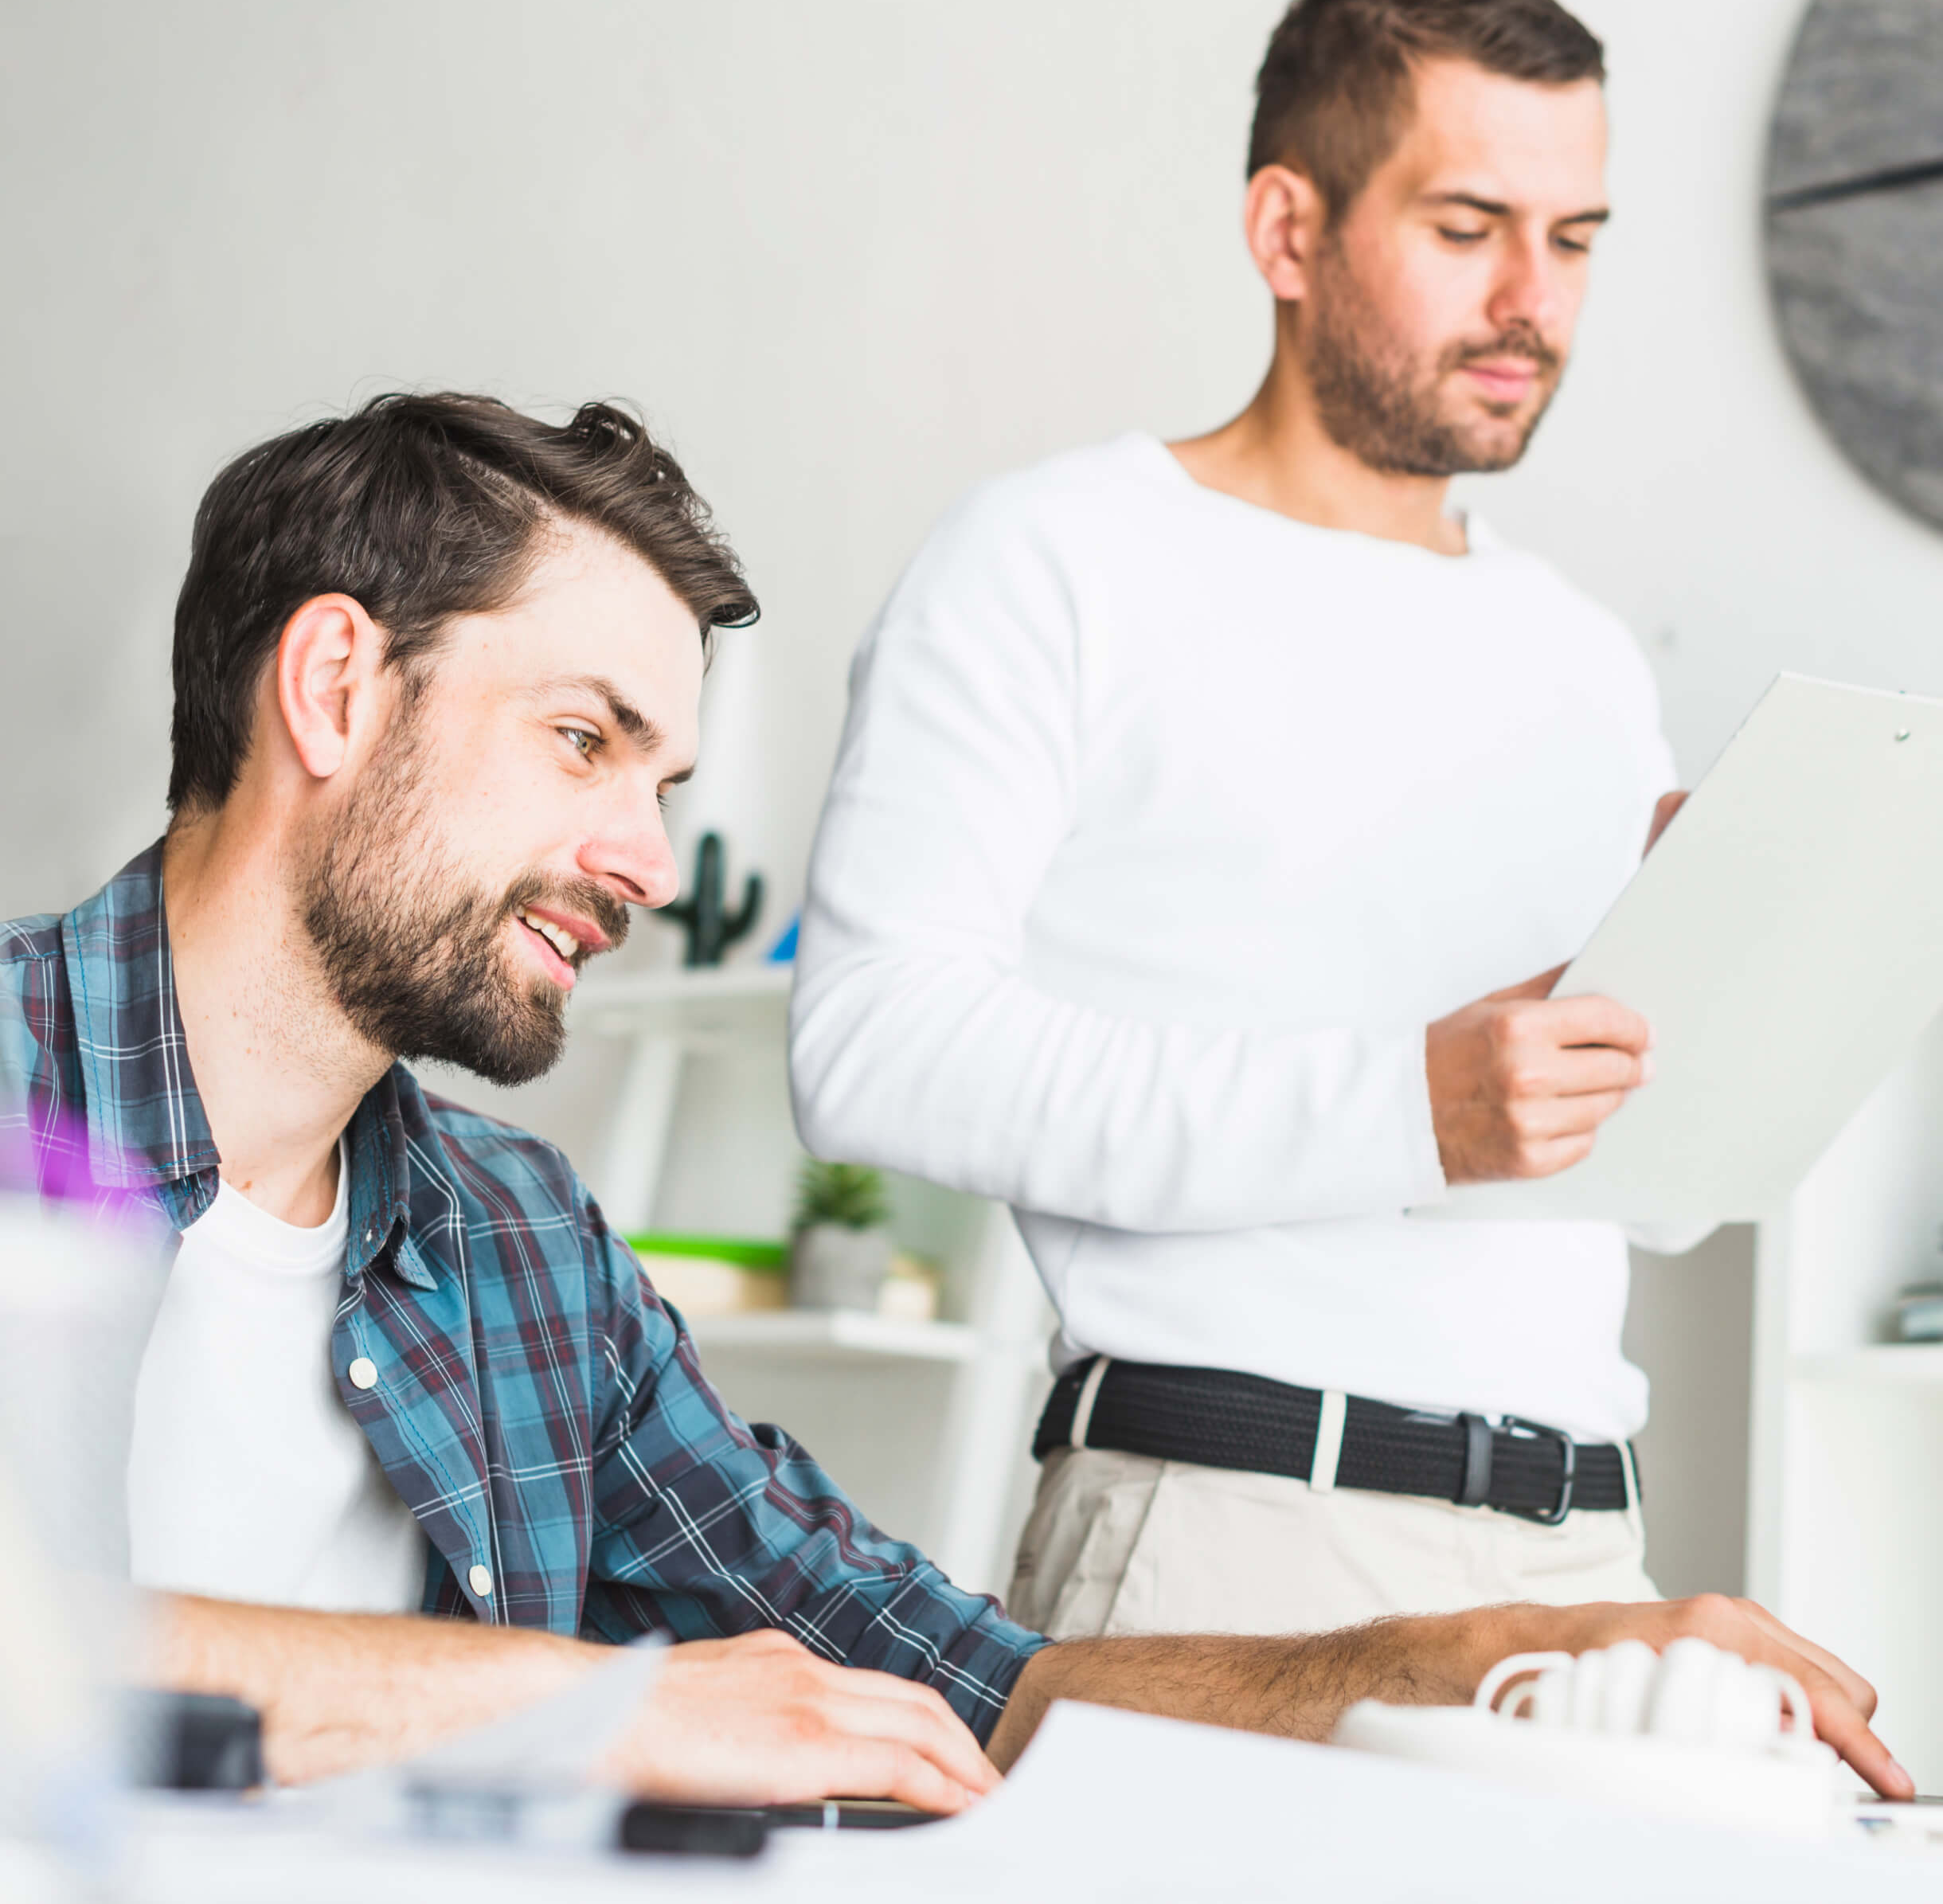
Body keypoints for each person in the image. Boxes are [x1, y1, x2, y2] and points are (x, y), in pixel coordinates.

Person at [0, 393, 1905, 1807]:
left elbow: (967, 1674)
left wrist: (1503, 1654)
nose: (641, 857)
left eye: (660, 783)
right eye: (583, 738)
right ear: (333, 684)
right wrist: (576, 1702)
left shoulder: (513, 1245)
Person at [790, 0, 1699, 1646]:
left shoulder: (1583, 657)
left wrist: (1733, 996)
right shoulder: (1052, 559)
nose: (1534, 299)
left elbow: (1641, 1186)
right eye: (1465, 226)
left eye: (1571, 240)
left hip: (1584, 1553)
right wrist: (1404, 1101)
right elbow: (868, 1045)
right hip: (1227, 1533)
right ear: (1287, 231)